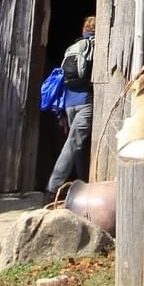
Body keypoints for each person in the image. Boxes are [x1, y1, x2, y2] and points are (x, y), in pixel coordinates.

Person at [45, 15, 94, 200]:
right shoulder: (96, 45)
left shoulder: (73, 47)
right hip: (85, 101)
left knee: (79, 145)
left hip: (69, 103)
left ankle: (84, 184)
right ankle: (52, 188)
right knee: (74, 143)